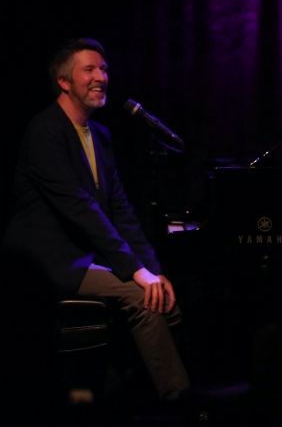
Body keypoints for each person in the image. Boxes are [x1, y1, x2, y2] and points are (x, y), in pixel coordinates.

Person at [1, 38, 190, 402]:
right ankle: (181, 403)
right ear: (64, 81)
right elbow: (82, 210)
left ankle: (128, 394)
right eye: (89, 69)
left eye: (103, 68)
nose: (100, 76)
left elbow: (120, 211)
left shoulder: (100, 135)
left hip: (88, 256)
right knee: (142, 296)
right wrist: (137, 273)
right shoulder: (44, 132)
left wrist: (152, 268)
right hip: (47, 260)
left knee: (165, 295)